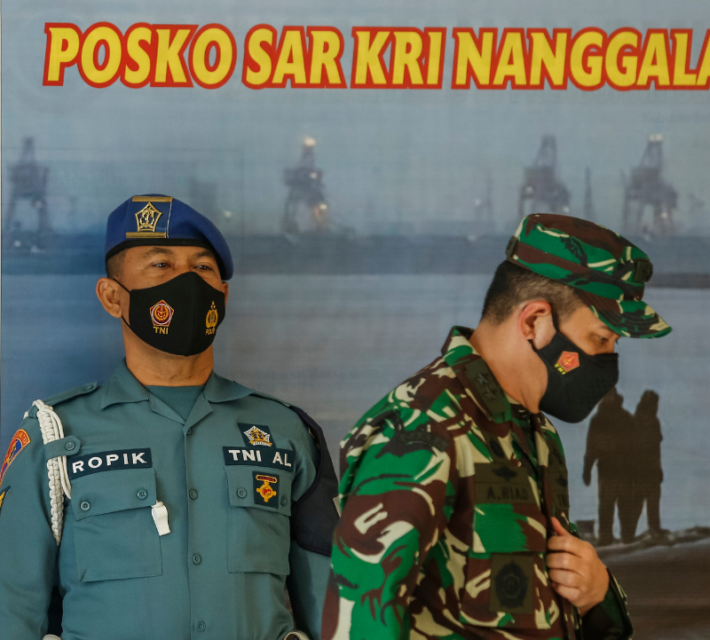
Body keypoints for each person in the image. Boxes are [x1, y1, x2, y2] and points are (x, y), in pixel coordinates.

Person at [0, 194, 339, 640]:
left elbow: (334, 610)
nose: (187, 281)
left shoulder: (284, 431)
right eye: (161, 265)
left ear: (223, 294)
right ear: (112, 297)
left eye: (202, 268)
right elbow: (12, 611)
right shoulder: (54, 436)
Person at [322, 214, 671, 640]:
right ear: (534, 323)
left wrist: (598, 594)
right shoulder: (419, 429)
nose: (607, 360)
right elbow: (360, 622)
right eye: (600, 339)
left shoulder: (534, 433)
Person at [583, 388, 636, 545]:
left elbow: (636, 447)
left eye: (608, 395)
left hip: (624, 471)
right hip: (606, 471)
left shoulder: (626, 418)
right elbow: (591, 447)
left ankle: (627, 538)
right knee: (606, 506)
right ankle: (607, 538)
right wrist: (587, 470)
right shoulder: (598, 420)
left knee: (624, 506)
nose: (606, 399)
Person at [631, 390, 664, 537]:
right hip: (642, 470)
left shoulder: (648, 420)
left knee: (650, 500)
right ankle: (631, 533)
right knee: (640, 501)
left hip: (649, 469)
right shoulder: (641, 420)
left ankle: (653, 528)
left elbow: (655, 450)